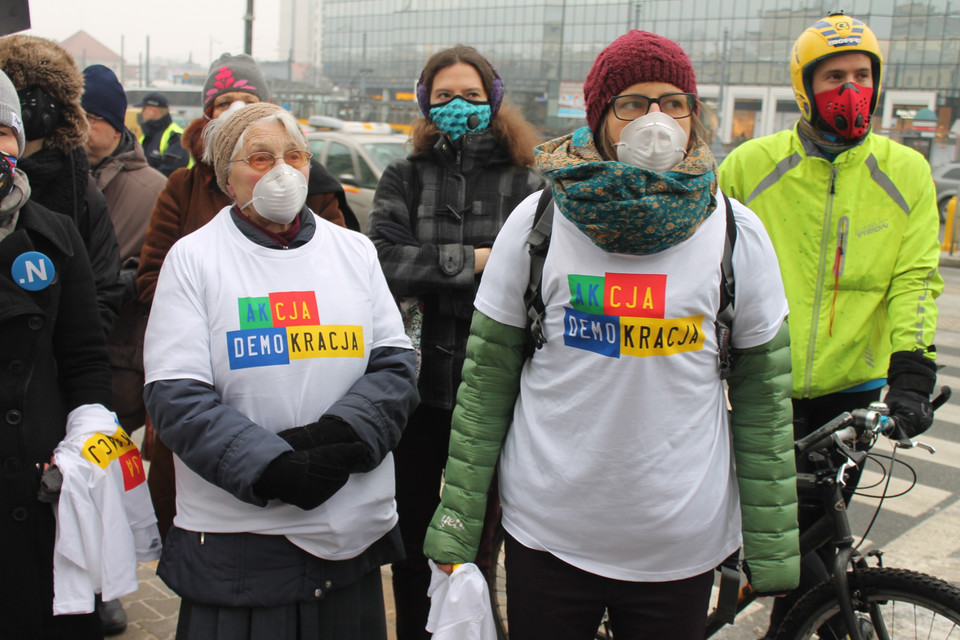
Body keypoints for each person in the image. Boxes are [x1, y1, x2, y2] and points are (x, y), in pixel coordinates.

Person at [422, 30, 800, 640]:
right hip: (549, 534)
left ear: (693, 113)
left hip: (678, 544)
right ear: (599, 117)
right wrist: (459, 519)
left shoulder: (736, 232)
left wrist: (772, 546)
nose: (655, 119)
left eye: (673, 102)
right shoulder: (539, 220)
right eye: (631, 103)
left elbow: (762, 400)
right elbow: (486, 383)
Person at [142, 101, 419, 639]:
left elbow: (395, 363)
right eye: (260, 158)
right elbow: (175, 395)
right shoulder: (193, 258)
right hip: (241, 546)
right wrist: (271, 466)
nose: (282, 172)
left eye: (294, 156)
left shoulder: (354, 251)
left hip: (346, 529)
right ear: (226, 176)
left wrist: (340, 437)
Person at [717, 12, 943, 638]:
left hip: (852, 393)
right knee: (773, 542)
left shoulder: (906, 173)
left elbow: (915, 279)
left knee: (817, 534)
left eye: (862, 75)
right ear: (804, 87)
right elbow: (711, 267)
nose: (850, 89)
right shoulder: (750, 165)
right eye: (834, 76)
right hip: (762, 385)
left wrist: (912, 374)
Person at [365, 44, 546, 639]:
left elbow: (536, 273)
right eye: (442, 96)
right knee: (413, 536)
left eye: (470, 95)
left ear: (492, 100)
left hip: (497, 392)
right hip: (414, 392)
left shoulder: (528, 180)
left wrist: (441, 267)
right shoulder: (404, 175)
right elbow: (385, 260)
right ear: (424, 103)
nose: (457, 106)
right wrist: (476, 259)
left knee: (480, 541)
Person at [136, 52, 352, 543]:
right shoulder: (183, 185)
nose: (233, 109)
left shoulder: (313, 187)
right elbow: (152, 276)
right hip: (209, 367)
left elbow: (338, 277)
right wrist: (209, 307)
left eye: (246, 100)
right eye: (223, 101)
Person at [0, 66, 114, 640]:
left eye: (1, 130)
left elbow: (87, 361)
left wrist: (87, 453)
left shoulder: (56, 235)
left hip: (43, 494)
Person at [0, 34, 123, 338]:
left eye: (49, 92)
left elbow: (103, 286)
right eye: (25, 89)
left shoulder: (82, 189)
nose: (37, 102)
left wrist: (64, 359)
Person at [135, 91, 191, 176]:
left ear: (154, 111)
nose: (142, 113)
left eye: (144, 109)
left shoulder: (176, 136)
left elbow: (169, 172)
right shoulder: (146, 136)